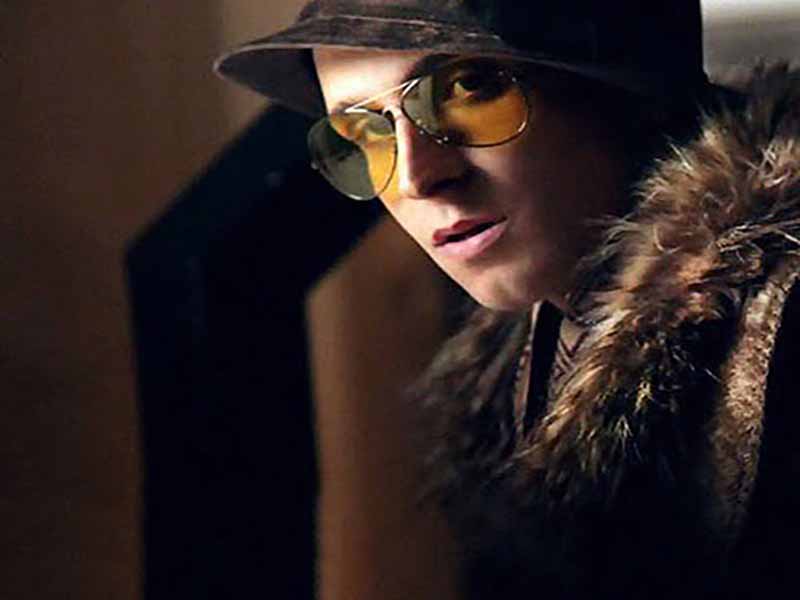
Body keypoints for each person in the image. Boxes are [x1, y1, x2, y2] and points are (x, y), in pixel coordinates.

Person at [216, 1, 800, 598]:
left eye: (469, 88)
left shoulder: (782, 328)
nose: (416, 177)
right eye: (363, 131)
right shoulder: (530, 354)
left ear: (621, 84)